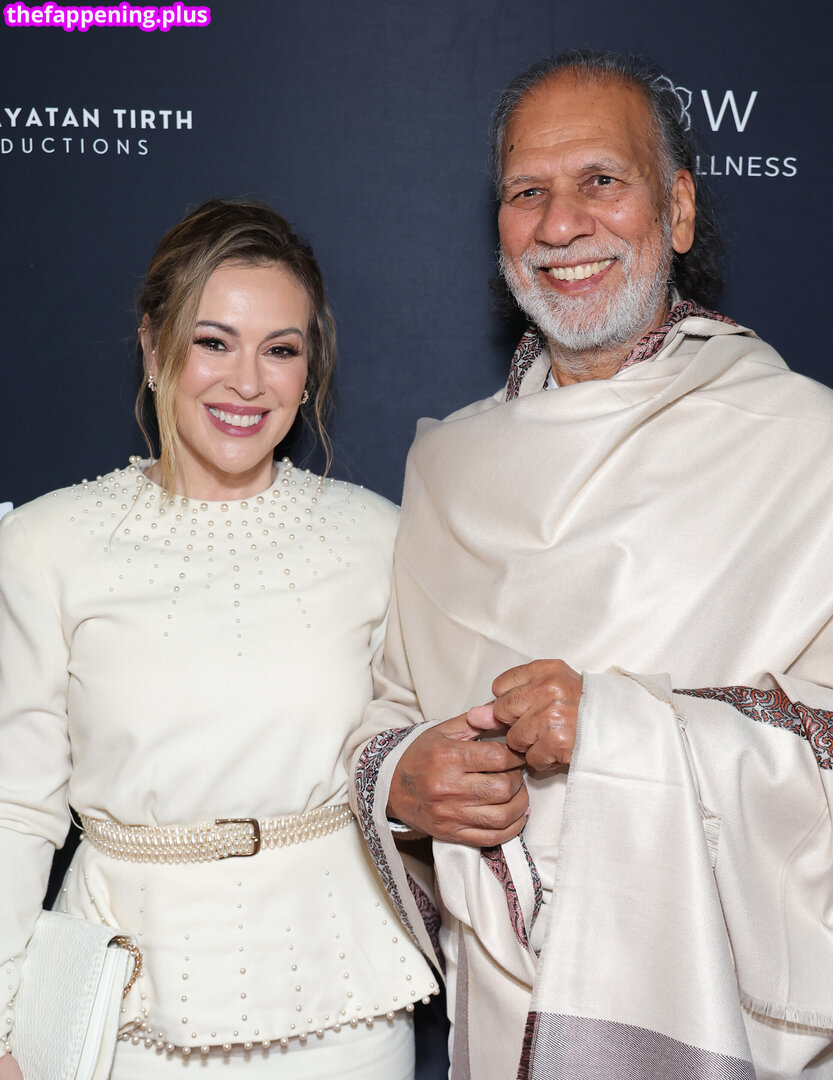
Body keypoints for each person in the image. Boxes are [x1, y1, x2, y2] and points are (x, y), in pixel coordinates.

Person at [347, 51, 833, 1079]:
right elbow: (390, 703)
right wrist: (403, 779)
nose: (559, 226)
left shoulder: (804, 445)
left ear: (677, 210)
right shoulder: (448, 464)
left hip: (725, 1018)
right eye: (526, 192)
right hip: (501, 1022)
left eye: (600, 181)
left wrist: (615, 728)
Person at [0, 198, 439, 1080]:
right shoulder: (46, 543)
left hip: (345, 1010)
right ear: (153, 345)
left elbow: (418, 765)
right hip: (123, 1014)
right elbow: (15, 808)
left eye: (280, 350)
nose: (247, 382)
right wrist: (6, 1022)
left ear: (308, 371)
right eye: (213, 342)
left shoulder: (378, 536)